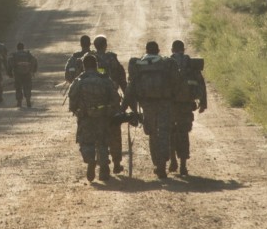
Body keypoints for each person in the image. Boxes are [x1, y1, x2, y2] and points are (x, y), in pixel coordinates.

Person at [121, 40, 183, 180]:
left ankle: (157, 163)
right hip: (165, 103)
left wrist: (123, 107)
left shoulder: (138, 65)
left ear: (146, 50)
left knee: (153, 133)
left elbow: (131, 87)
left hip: (147, 104)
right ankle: (162, 163)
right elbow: (177, 82)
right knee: (165, 132)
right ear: (158, 50)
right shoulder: (167, 64)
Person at [68, 53, 120, 182]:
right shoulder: (105, 79)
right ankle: (104, 167)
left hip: (86, 118)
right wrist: (110, 111)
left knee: (86, 142)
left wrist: (77, 111)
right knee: (102, 142)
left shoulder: (79, 81)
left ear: (84, 66)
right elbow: (115, 98)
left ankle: (91, 161)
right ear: (96, 65)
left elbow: (72, 99)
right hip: (102, 117)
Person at [169, 40, 207, 176]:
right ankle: (183, 165)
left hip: (171, 105)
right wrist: (203, 103)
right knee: (183, 133)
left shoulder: (168, 63)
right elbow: (201, 83)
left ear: (172, 49)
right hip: (186, 105)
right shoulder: (191, 63)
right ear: (183, 50)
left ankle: (173, 159)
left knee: (171, 132)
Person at [92, 35, 127, 174]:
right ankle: (117, 163)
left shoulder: (90, 60)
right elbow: (122, 79)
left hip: (95, 103)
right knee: (115, 133)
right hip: (112, 102)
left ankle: (102, 163)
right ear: (105, 45)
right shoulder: (112, 59)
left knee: (99, 134)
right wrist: (127, 100)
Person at [7, 42, 38, 108]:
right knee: (27, 86)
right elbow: (34, 60)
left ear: (17, 48)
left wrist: (10, 73)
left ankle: (19, 102)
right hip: (27, 73)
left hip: (17, 74)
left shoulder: (14, 54)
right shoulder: (27, 54)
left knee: (18, 87)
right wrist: (33, 70)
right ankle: (28, 100)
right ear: (23, 47)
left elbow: (10, 64)